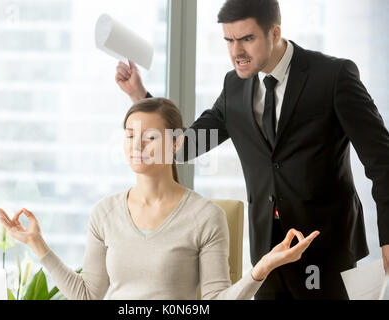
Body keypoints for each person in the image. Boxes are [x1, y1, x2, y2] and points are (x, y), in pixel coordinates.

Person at [115, 0, 389, 299]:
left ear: (274, 33)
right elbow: (186, 146)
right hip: (266, 256)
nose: (236, 52)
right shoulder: (235, 87)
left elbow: (382, 163)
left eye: (247, 39)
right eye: (229, 40)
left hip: (325, 251)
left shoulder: (333, 75)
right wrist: (139, 95)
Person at [0, 98, 319, 300]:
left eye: (150, 138)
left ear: (177, 144)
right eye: (130, 136)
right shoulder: (104, 212)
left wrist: (260, 269)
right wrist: (38, 245)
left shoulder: (206, 216)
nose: (137, 145)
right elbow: (87, 296)